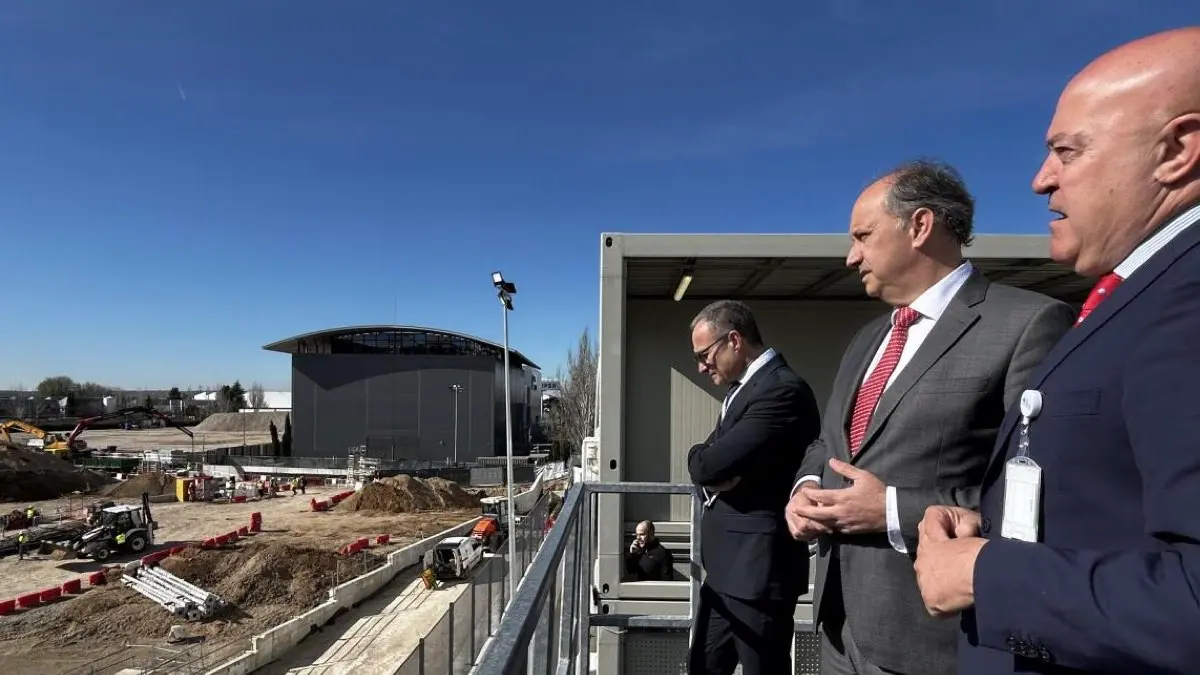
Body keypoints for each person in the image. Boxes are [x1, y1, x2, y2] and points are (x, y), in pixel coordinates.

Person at [913, 26, 1200, 675]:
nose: (1042, 180)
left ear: (1178, 150)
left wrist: (989, 574)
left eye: (1067, 151)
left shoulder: (1188, 298)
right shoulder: (1140, 293)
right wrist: (990, 530)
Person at [785, 161, 1074, 675]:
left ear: (919, 226)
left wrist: (893, 510)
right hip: (836, 627)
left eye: (863, 236)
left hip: (931, 642)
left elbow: (1042, 492)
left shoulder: (1028, 324)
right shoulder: (866, 339)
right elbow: (828, 443)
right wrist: (805, 488)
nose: (851, 257)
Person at [686, 299, 821, 675]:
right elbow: (707, 463)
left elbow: (709, 462)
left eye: (705, 354)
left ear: (734, 340)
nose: (701, 366)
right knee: (701, 666)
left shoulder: (781, 391)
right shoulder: (743, 389)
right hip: (727, 572)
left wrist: (705, 463)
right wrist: (705, 464)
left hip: (759, 574)